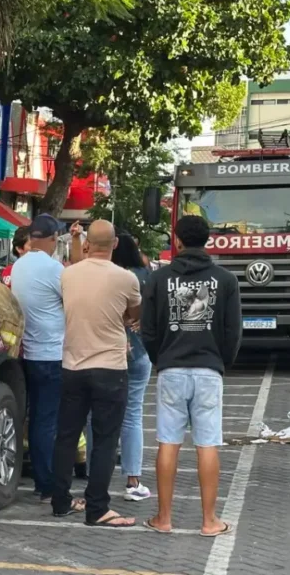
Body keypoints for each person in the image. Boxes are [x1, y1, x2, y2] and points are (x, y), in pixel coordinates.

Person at [140, 215, 241, 537]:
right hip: (209, 369)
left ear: (177, 240)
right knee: (207, 443)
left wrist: (161, 359)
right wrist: (220, 361)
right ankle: (210, 521)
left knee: (168, 442)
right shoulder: (225, 280)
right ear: (207, 240)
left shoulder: (159, 278)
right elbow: (232, 331)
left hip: (171, 368)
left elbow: (148, 330)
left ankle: (164, 517)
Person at [51, 220, 141, 527]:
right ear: (115, 244)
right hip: (110, 367)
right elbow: (134, 315)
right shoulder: (126, 278)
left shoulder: (68, 274)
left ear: (88, 243)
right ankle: (97, 507)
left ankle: (60, 501)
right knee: (104, 440)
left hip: (72, 365)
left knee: (65, 436)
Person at [83, 233, 154, 501]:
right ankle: (133, 481)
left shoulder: (102, 276)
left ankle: (93, 475)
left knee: (94, 414)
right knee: (132, 414)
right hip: (137, 351)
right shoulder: (142, 276)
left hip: (101, 352)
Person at [10, 214, 66, 502]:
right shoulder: (54, 268)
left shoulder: (19, 266)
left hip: (27, 353)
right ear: (54, 238)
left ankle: (37, 476)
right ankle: (47, 483)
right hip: (52, 354)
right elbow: (71, 303)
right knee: (47, 421)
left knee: (33, 419)